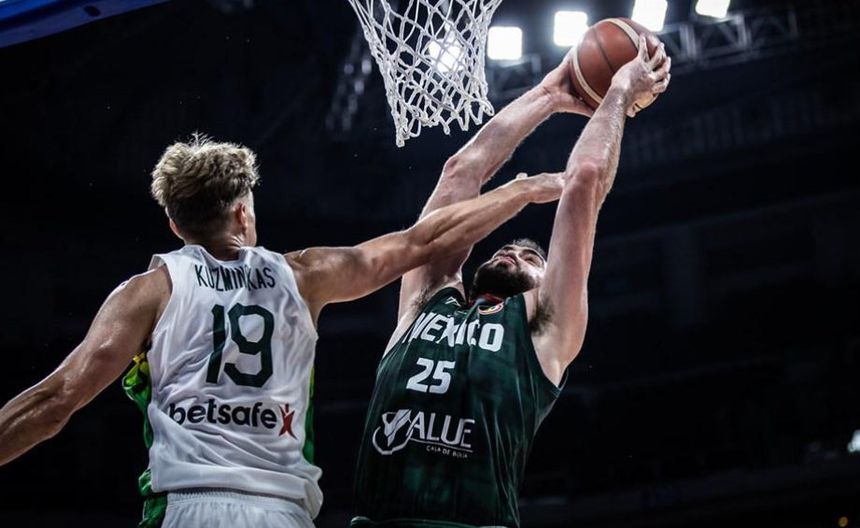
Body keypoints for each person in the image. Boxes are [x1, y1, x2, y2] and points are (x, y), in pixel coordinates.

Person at [0, 134, 565, 527]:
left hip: (189, 505)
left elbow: (54, 402)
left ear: (174, 224)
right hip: (281, 512)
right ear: (243, 213)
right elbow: (424, 241)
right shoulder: (303, 275)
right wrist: (520, 191)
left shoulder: (149, 290)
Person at [352, 36, 671, 527]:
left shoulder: (544, 330)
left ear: (547, 283)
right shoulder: (426, 300)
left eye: (531, 256)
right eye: (508, 248)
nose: (513, 250)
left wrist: (619, 92)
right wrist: (547, 94)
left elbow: (585, 178)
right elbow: (461, 171)